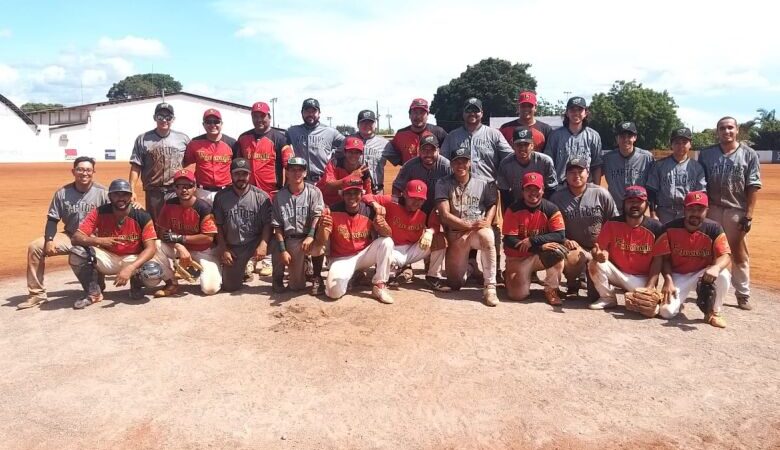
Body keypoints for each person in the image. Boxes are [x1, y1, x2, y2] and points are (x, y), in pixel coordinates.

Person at [20, 157, 109, 309]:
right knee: (35, 247)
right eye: (80, 169)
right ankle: (37, 295)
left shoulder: (103, 193)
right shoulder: (63, 193)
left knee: (97, 282)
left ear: (93, 172)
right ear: (73, 171)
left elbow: (120, 208)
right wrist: (49, 240)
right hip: (70, 235)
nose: (84, 173)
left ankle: (97, 285)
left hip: (94, 238)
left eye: (88, 170)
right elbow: (52, 219)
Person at [70, 179, 174, 309]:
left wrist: (131, 268)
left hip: (133, 258)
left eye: (125, 194)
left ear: (131, 197)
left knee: (152, 272)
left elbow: (151, 248)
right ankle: (94, 292)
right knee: (77, 252)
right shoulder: (99, 212)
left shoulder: (142, 215)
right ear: (109, 196)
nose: (121, 198)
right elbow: (76, 237)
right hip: (108, 257)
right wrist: (99, 240)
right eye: (116, 194)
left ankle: (136, 285)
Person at [440, 97, 512, 282]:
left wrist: (501, 181)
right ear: (463, 113)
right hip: (459, 188)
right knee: (461, 227)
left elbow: (509, 158)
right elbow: (442, 160)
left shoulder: (493, 134)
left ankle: (493, 272)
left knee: (490, 229)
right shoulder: (453, 136)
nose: (472, 113)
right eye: (468, 110)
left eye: (476, 110)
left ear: (482, 113)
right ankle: (470, 266)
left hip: (486, 187)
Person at [698, 116, 762, 310]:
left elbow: (753, 186)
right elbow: (701, 184)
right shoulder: (706, 154)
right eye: (722, 128)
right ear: (717, 132)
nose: (726, 131)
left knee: (739, 252)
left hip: (736, 209)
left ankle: (743, 293)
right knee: (709, 252)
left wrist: (748, 215)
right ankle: (707, 289)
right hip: (713, 209)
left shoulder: (749, 154)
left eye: (730, 128)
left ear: (737, 130)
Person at [654, 192, 731, 328]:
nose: (695, 213)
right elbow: (664, 259)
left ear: (707, 211)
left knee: (724, 275)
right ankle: (679, 301)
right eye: (691, 209)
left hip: (704, 274)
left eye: (700, 209)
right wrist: (668, 280)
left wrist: (716, 268)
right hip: (679, 275)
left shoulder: (714, 228)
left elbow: (726, 256)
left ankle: (714, 313)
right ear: (684, 210)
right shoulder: (669, 228)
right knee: (666, 312)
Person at [234, 101, 293, 277]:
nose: (259, 119)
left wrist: (287, 189)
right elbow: (236, 164)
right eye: (255, 116)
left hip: (271, 191)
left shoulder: (280, 138)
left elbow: (288, 163)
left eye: (263, 116)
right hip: (247, 191)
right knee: (248, 224)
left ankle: (267, 260)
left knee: (274, 226)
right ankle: (251, 260)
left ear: (269, 117)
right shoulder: (243, 138)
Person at [434, 146, 499, 306]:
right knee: (455, 283)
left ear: (469, 163)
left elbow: (492, 203)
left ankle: (490, 286)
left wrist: (488, 220)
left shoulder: (484, 181)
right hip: (456, 235)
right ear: (451, 164)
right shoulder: (443, 183)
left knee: (488, 235)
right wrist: (468, 225)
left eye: (464, 161)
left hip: (477, 232)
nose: (460, 165)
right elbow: (444, 215)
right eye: (456, 162)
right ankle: (470, 267)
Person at [314, 180, 395, 304]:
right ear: (342, 194)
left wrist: (383, 227)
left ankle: (379, 286)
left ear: (361, 194)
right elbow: (321, 241)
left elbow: (387, 234)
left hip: (363, 256)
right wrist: (322, 228)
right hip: (341, 259)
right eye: (348, 193)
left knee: (387, 242)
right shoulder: (332, 211)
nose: (352, 197)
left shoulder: (369, 211)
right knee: (333, 293)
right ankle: (353, 277)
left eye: (356, 193)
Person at [587, 186, 664, 310]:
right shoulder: (612, 223)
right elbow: (598, 249)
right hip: (618, 273)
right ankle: (607, 298)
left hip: (641, 279)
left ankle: (638, 294)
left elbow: (658, 260)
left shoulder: (656, 228)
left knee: (652, 310)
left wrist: (650, 286)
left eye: (639, 201)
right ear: (623, 204)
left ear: (647, 204)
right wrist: (598, 255)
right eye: (630, 201)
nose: (634, 205)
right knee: (594, 263)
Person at [550, 158, 618, 298]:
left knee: (595, 296)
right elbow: (552, 228)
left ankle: (593, 280)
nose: (576, 175)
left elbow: (614, 223)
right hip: (575, 248)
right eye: (572, 172)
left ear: (588, 173)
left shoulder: (601, 193)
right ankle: (572, 283)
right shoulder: (557, 198)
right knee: (573, 256)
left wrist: (606, 247)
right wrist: (565, 240)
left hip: (599, 247)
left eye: (580, 171)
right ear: (566, 175)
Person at [363, 180, 448, 290]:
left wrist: (429, 232)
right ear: (404, 194)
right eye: (413, 198)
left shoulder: (426, 209)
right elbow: (365, 197)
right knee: (384, 248)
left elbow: (435, 227)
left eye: (420, 199)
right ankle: (389, 273)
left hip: (413, 249)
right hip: (392, 249)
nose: (416, 202)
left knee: (440, 239)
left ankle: (433, 276)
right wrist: (375, 205)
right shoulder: (392, 201)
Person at [502, 172, 566, 305]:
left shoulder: (550, 208)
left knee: (556, 251)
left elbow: (560, 235)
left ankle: (551, 289)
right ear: (522, 191)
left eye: (536, 189)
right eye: (528, 189)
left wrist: (533, 241)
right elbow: (509, 240)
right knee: (517, 295)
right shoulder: (513, 209)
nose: (533, 193)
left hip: (538, 255)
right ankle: (510, 275)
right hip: (518, 257)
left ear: (542, 189)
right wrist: (539, 246)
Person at [156, 169, 221, 296]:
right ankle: (171, 283)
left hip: (203, 251)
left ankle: (212, 269)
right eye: (179, 186)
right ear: (174, 188)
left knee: (210, 289)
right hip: (180, 249)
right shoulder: (169, 205)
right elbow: (161, 233)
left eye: (188, 186)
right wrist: (179, 246)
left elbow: (208, 238)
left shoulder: (203, 208)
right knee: (156, 246)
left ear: (195, 187)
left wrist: (181, 238)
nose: (184, 190)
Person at [212, 158, 272, 292]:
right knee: (230, 287)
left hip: (255, 242)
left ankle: (279, 280)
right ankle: (242, 267)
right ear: (231, 175)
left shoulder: (262, 196)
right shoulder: (221, 197)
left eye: (244, 174)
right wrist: (223, 248)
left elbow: (268, 224)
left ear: (249, 175)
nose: (241, 178)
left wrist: (263, 244)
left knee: (280, 244)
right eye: (237, 174)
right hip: (234, 246)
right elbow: (218, 225)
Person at [271, 157, 326, 294]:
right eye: (293, 170)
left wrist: (311, 236)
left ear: (305, 173)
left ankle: (317, 276)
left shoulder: (314, 191)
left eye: (300, 170)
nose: (297, 173)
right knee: (297, 286)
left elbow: (317, 215)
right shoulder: (280, 196)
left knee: (322, 235)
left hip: (310, 237)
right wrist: (283, 250)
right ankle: (304, 265)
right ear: (287, 172)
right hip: (292, 240)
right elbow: (277, 225)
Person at [128, 102, 190, 221]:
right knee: (155, 224)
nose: (164, 120)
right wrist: (132, 190)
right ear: (155, 118)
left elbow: (188, 161)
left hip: (175, 190)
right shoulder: (143, 139)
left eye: (168, 117)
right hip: (154, 192)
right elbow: (136, 166)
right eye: (160, 117)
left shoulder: (183, 139)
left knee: (177, 223)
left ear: (173, 119)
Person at [646, 127, 706, 224]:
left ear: (690, 144)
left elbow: (701, 194)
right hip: (664, 212)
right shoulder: (659, 165)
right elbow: (651, 191)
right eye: (677, 142)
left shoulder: (697, 167)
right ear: (671, 144)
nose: (681, 145)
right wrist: (653, 213)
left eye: (684, 142)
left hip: (687, 212)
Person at [182, 108, 238, 206]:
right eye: (208, 122)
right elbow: (185, 164)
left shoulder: (232, 143)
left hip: (225, 191)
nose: (212, 125)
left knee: (224, 220)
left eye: (216, 122)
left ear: (221, 124)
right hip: (202, 191)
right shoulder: (194, 143)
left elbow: (237, 167)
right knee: (203, 220)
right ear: (203, 124)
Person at [285, 98, 345, 184]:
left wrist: (336, 159)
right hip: (301, 181)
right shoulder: (292, 131)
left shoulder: (330, 132)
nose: (310, 114)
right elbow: (279, 144)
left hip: (323, 180)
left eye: (313, 111)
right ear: (302, 113)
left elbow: (349, 144)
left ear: (319, 113)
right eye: (307, 111)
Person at [546, 96, 603, 184]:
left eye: (580, 110)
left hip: (586, 187)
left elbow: (596, 165)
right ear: (567, 113)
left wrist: (597, 187)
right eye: (572, 110)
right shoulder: (555, 135)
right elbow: (548, 164)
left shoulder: (593, 136)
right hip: (561, 187)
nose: (576, 113)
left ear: (585, 113)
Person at [600, 121, 654, 212]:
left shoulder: (646, 157)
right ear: (617, 138)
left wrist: (652, 211)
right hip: (615, 209)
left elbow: (653, 185)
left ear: (635, 138)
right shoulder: (607, 158)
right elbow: (594, 176)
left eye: (629, 136)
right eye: (622, 136)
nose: (626, 139)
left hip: (638, 209)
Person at [497, 126, 557, 206]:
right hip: (517, 205)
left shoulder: (545, 161)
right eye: (518, 145)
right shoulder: (505, 164)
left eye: (526, 144)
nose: (522, 148)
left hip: (541, 205)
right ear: (512, 145)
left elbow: (551, 189)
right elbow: (504, 191)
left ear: (532, 145)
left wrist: (543, 207)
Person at [391, 133, 452, 210]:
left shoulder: (447, 166)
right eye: (424, 150)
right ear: (419, 150)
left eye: (432, 150)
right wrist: (396, 206)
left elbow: (455, 189)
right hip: (415, 208)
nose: (428, 154)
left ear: (438, 151)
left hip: (438, 208)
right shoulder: (410, 166)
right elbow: (397, 187)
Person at [347, 109, 399, 194]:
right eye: (363, 122)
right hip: (353, 191)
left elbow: (400, 161)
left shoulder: (384, 144)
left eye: (370, 122)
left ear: (375, 124)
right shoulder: (348, 141)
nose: (367, 125)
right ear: (357, 124)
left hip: (376, 191)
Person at [317, 136, 373, 205]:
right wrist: (351, 177)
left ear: (361, 154)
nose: (353, 155)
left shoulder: (363, 170)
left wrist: (373, 203)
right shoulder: (335, 163)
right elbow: (329, 186)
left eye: (357, 152)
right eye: (350, 152)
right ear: (345, 152)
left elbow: (368, 194)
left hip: (346, 204)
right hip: (326, 202)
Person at [390, 98, 448, 164]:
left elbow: (450, 152)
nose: (418, 116)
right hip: (409, 173)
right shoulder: (400, 135)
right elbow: (393, 155)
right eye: (415, 112)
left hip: (434, 173)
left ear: (427, 115)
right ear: (409, 115)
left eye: (422, 113)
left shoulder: (438, 132)